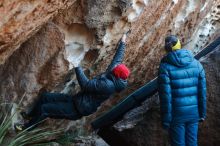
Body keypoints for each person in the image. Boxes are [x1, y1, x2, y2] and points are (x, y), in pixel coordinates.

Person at [15, 33, 130, 131]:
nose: (114, 67)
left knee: (45, 109)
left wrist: (77, 65)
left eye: (115, 69)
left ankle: (25, 129)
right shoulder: (114, 75)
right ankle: (29, 116)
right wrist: (123, 42)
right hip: (75, 100)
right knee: (45, 97)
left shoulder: (108, 86)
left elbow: (86, 85)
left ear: (116, 74)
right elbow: (118, 59)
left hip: (76, 110)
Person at [158, 35, 206, 146]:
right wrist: (202, 113)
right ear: (179, 45)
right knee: (193, 143)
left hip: (176, 115)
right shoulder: (197, 64)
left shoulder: (165, 67)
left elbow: (165, 97)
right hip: (193, 113)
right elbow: (202, 92)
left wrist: (166, 120)